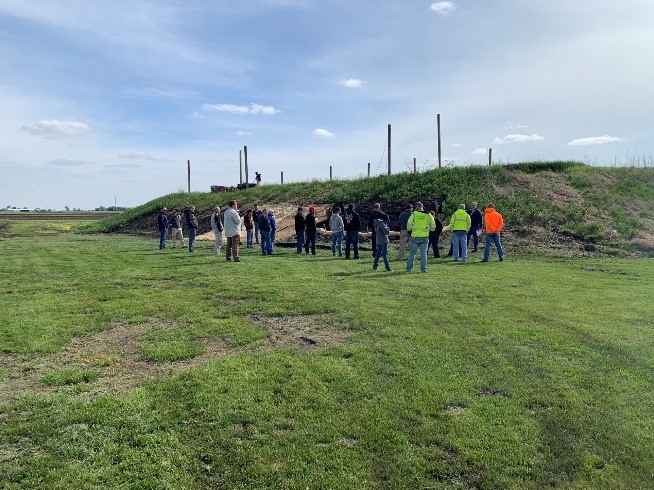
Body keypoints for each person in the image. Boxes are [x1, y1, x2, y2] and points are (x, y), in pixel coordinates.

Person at [406, 202, 436, 273]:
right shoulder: (429, 215)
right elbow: (433, 227)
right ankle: (423, 269)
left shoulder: (413, 215)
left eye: (415, 207)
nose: (414, 209)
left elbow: (408, 225)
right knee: (424, 254)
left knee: (412, 254)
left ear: (418, 207)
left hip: (415, 237)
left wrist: (410, 231)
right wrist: (428, 230)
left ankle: (409, 269)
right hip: (424, 237)